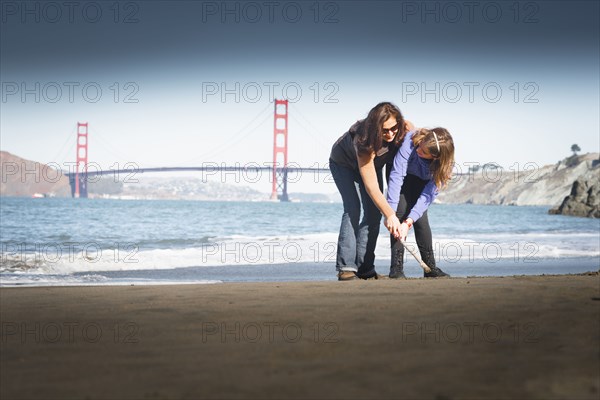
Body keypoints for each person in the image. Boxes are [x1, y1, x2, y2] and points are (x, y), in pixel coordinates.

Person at [329, 102, 410, 281]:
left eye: (394, 128)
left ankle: (366, 268)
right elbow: (371, 187)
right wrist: (390, 214)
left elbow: (423, 138)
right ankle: (346, 267)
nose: (390, 134)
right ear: (375, 128)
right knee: (353, 208)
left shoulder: (404, 126)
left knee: (373, 213)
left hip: (373, 166)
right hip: (344, 164)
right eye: (384, 130)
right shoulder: (363, 140)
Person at [386, 127, 455, 278]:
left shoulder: (445, 166)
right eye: (420, 146)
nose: (418, 150)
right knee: (399, 214)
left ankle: (430, 268)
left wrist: (408, 222)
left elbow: (426, 197)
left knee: (421, 220)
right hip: (400, 174)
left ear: (435, 157)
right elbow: (397, 176)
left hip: (422, 180)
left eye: (424, 152)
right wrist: (390, 213)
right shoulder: (411, 141)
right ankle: (396, 269)